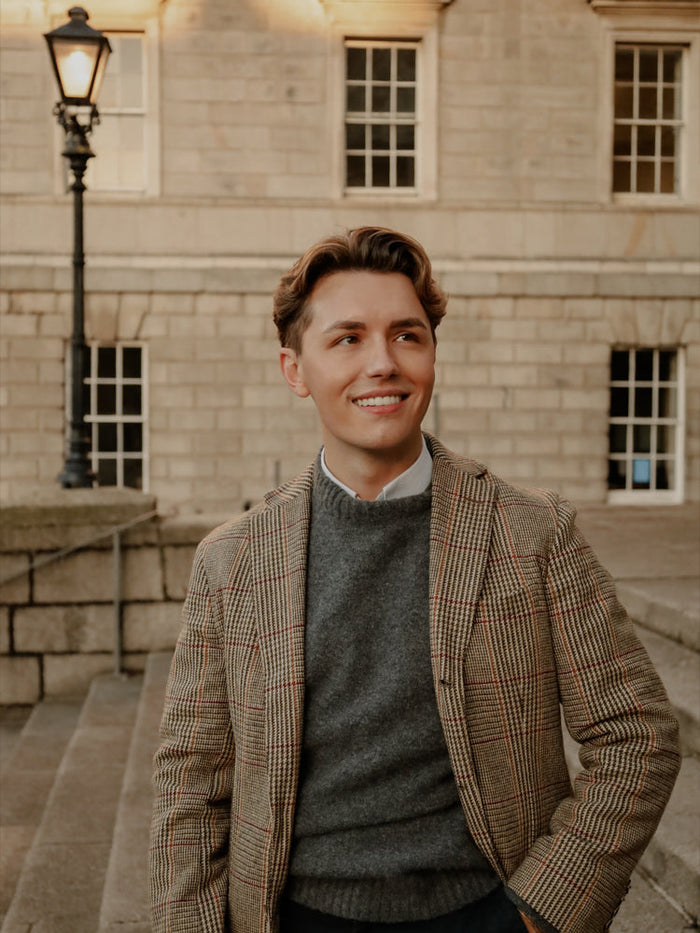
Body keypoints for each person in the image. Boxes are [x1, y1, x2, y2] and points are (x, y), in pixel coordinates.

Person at [150, 227, 680, 933]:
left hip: (485, 910)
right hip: (293, 915)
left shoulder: (532, 534)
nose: (383, 363)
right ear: (294, 369)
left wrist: (543, 910)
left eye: (408, 335)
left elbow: (638, 732)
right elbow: (189, 782)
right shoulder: (232, 561)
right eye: (347, 339)